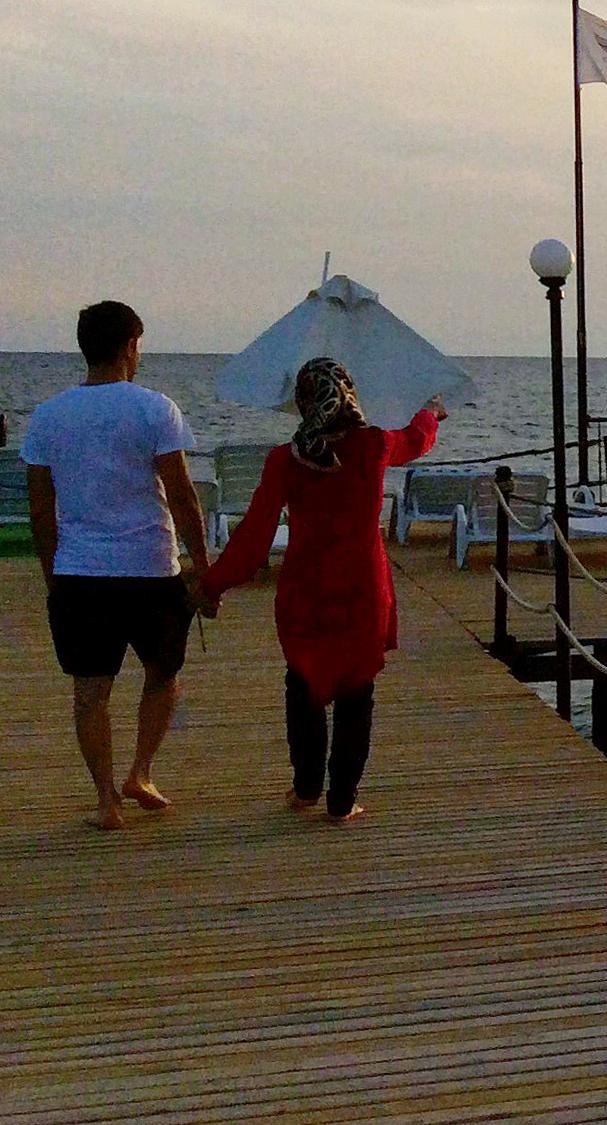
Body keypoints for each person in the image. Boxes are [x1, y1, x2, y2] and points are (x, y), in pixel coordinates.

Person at [201, 360, 443, 823]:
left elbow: (254, 536)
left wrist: (213, 585)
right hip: (362, 590)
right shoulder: (373, 446)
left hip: (305, 591)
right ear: (349, 394)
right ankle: (342, 800)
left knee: (302, 686)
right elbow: (417, 440)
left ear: (302, 401)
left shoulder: (284, 460)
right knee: (357, 696)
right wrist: (431, 411)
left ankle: (307, 788)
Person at [21, 300, 213, 830]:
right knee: (163, 674)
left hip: (80, 573)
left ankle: (107, 799)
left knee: (91, 691)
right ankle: (141, 771)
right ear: (131, 346)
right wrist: (204, 567)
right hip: (152, 568)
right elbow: (182, 496)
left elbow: (40, 507)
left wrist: (52, 574)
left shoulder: (47, 415)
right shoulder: (155, 408)